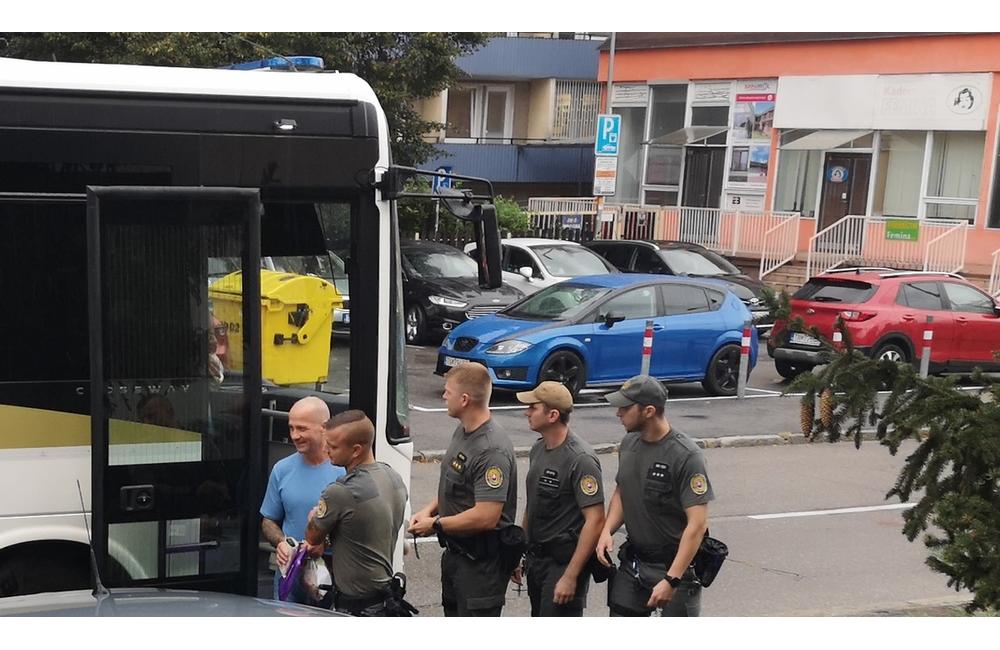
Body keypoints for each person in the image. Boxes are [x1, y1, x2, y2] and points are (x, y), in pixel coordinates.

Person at [595, 375, 714, 617]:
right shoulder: (629, 443)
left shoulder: (686, 456)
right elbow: (622, 490)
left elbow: (697, 525)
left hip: (674, 566)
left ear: (648, 411)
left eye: (625, 408)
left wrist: (672, 579)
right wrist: (607, 530)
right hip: (635, 562)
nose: (618, 413)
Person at [408, 363, 517, 616]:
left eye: (448, 392)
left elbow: (486, 516)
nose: (444, 396)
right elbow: (456, 484)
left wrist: (435, 524)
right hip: (457, 556)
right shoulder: (464, 430)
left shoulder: (491, 450)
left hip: (480, 567)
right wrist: (428, 510)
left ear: (465, 399)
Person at [304, 410, 411, 616]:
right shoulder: (393, 477)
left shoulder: (341, 491)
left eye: (333, 446)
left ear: (355, 451)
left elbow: (312, 538)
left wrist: (313, 518)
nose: (326, 450)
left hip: (356, 606)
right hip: (385, 600)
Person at [513, 381, 605, 617]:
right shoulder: (539, 449)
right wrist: (519, 553)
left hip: (562, 563)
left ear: (552, 415)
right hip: (537, 560)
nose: (527, 412)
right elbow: (532, 507)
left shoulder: (581, 459)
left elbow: (594, 520)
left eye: (533, 407)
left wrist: (571, 576)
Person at [260, 396, 345, 605]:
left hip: (332, 577)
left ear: (324, 427)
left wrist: (324, 544)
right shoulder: (282, 469)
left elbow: (358, 529)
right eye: (291, 428)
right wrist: (281, 543)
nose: (294, 436)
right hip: (289, 575)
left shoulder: (345, 471)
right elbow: (268, 520)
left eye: (302, 429)